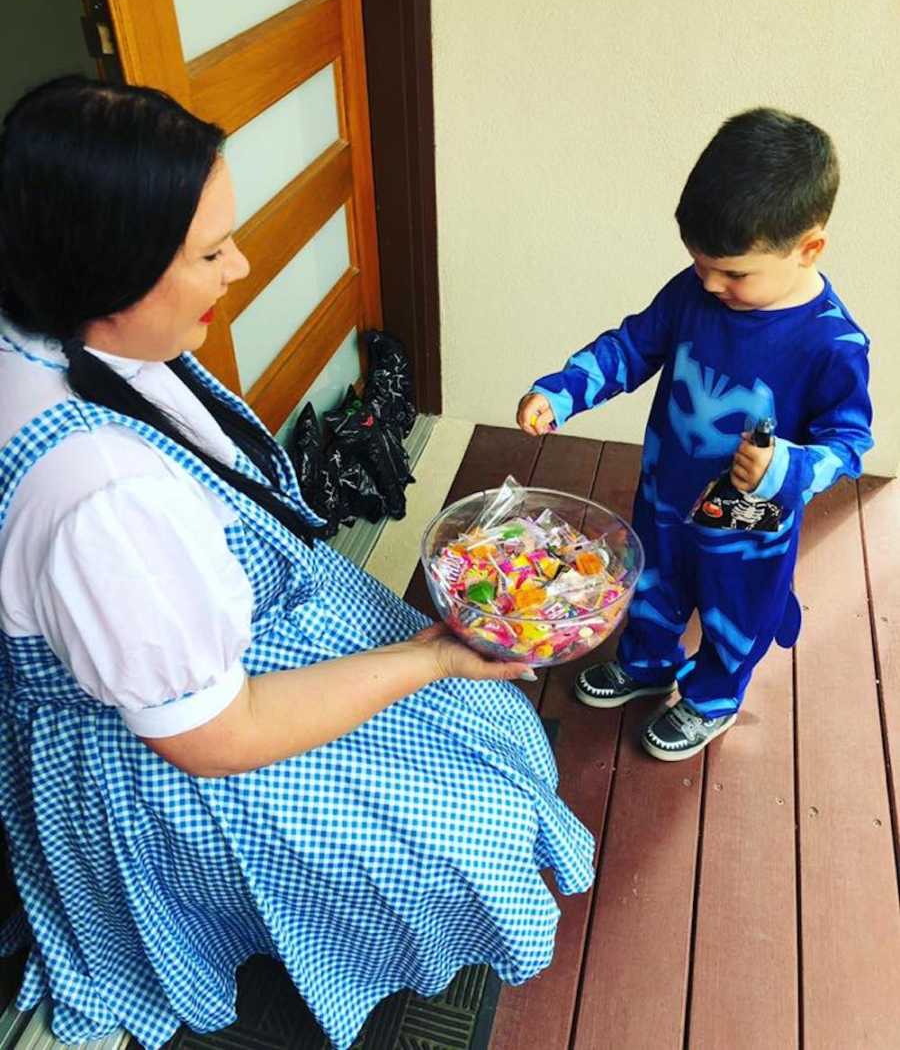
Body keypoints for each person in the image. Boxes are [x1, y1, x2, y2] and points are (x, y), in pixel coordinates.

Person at [0, 76, 595, 1050]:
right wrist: (436, 656)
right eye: (207, 253)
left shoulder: (51, 315)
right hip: (167, 739)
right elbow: (213, 738)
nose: (238, 266)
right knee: (470, 831)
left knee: (494, 723)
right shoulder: (95, 494)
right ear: (107, 270)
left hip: (210, 632)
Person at [517, 107, 873, 761]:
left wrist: (786, 469)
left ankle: (712, 697)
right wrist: (562, 390)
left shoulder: (831, 343)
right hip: (665, 492)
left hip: (748, 522)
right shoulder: (695, 291)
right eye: (700, 264)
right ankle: (647, 659)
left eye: (734, 273)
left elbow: (849, 446)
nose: (711, 283)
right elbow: (632, 347)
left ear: (809, 248)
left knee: (735, 613)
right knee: (651, 579)